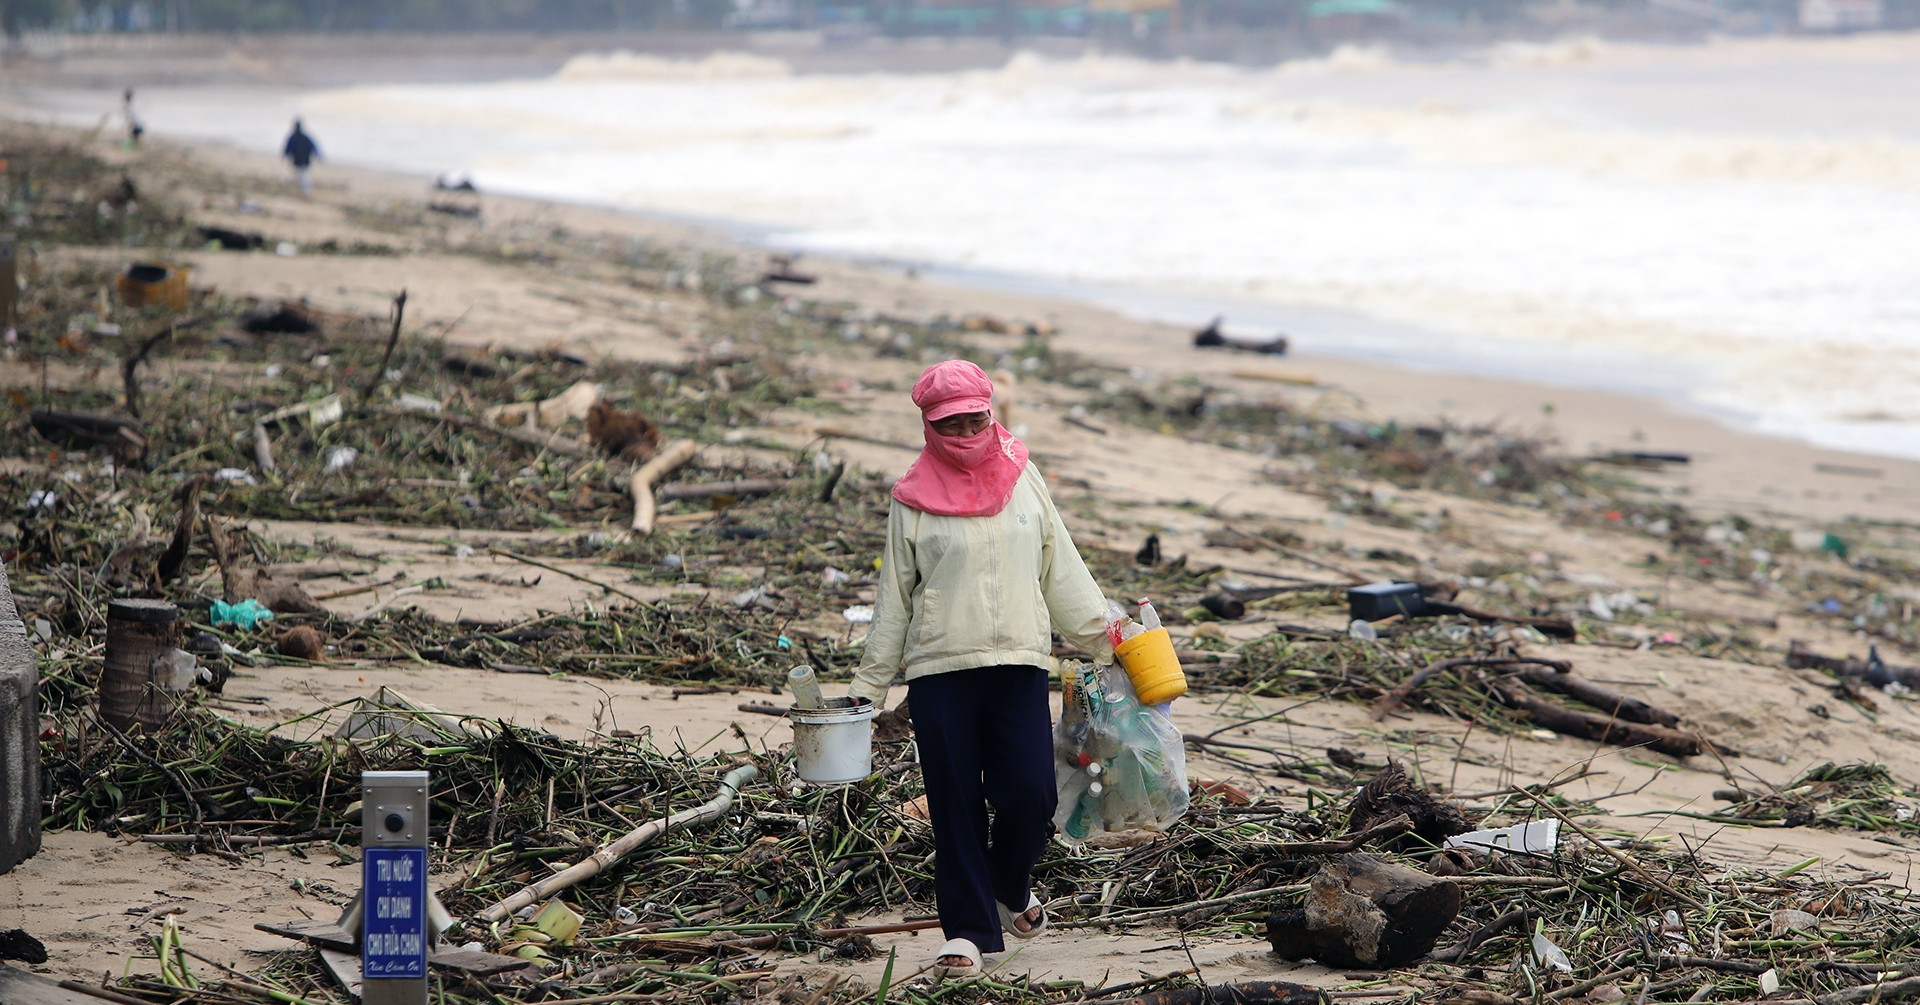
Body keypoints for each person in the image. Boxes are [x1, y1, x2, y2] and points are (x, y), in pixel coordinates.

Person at [849, 359, 1114, 978]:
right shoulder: (911, 499)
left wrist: (1108, 638)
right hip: (940, 671)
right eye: (951, 424)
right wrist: (866, 688)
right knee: (955, 803)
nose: (966, 432)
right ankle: (966, 932)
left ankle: (1009, 889)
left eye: (975, 419)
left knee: (1031, 793)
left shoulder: (1025, 478)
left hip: (1019, 663)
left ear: (991, 413)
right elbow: (895, 599)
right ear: (928, 425)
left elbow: (1061, 567)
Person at [282, 119, 320, 196]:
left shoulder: (293, 137)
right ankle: (305, 189)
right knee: (303, 173)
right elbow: (313, 147)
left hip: (298, 159)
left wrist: (285, 155)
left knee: (300, 174)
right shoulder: (305, 137)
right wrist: (318, 155)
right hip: (305, 159)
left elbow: (288, 148)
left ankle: (304, 190)